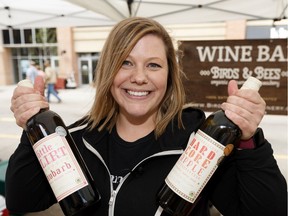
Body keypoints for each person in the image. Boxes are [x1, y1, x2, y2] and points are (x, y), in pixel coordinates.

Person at [6, 17, 287, 216]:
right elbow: (21, 201)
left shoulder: (200, 145)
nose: (139, 77)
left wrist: (250, 142)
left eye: (153, 65)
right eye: (126, 62)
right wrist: (33, 127)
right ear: (107, 71)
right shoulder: (75, 140)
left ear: (168, 76)